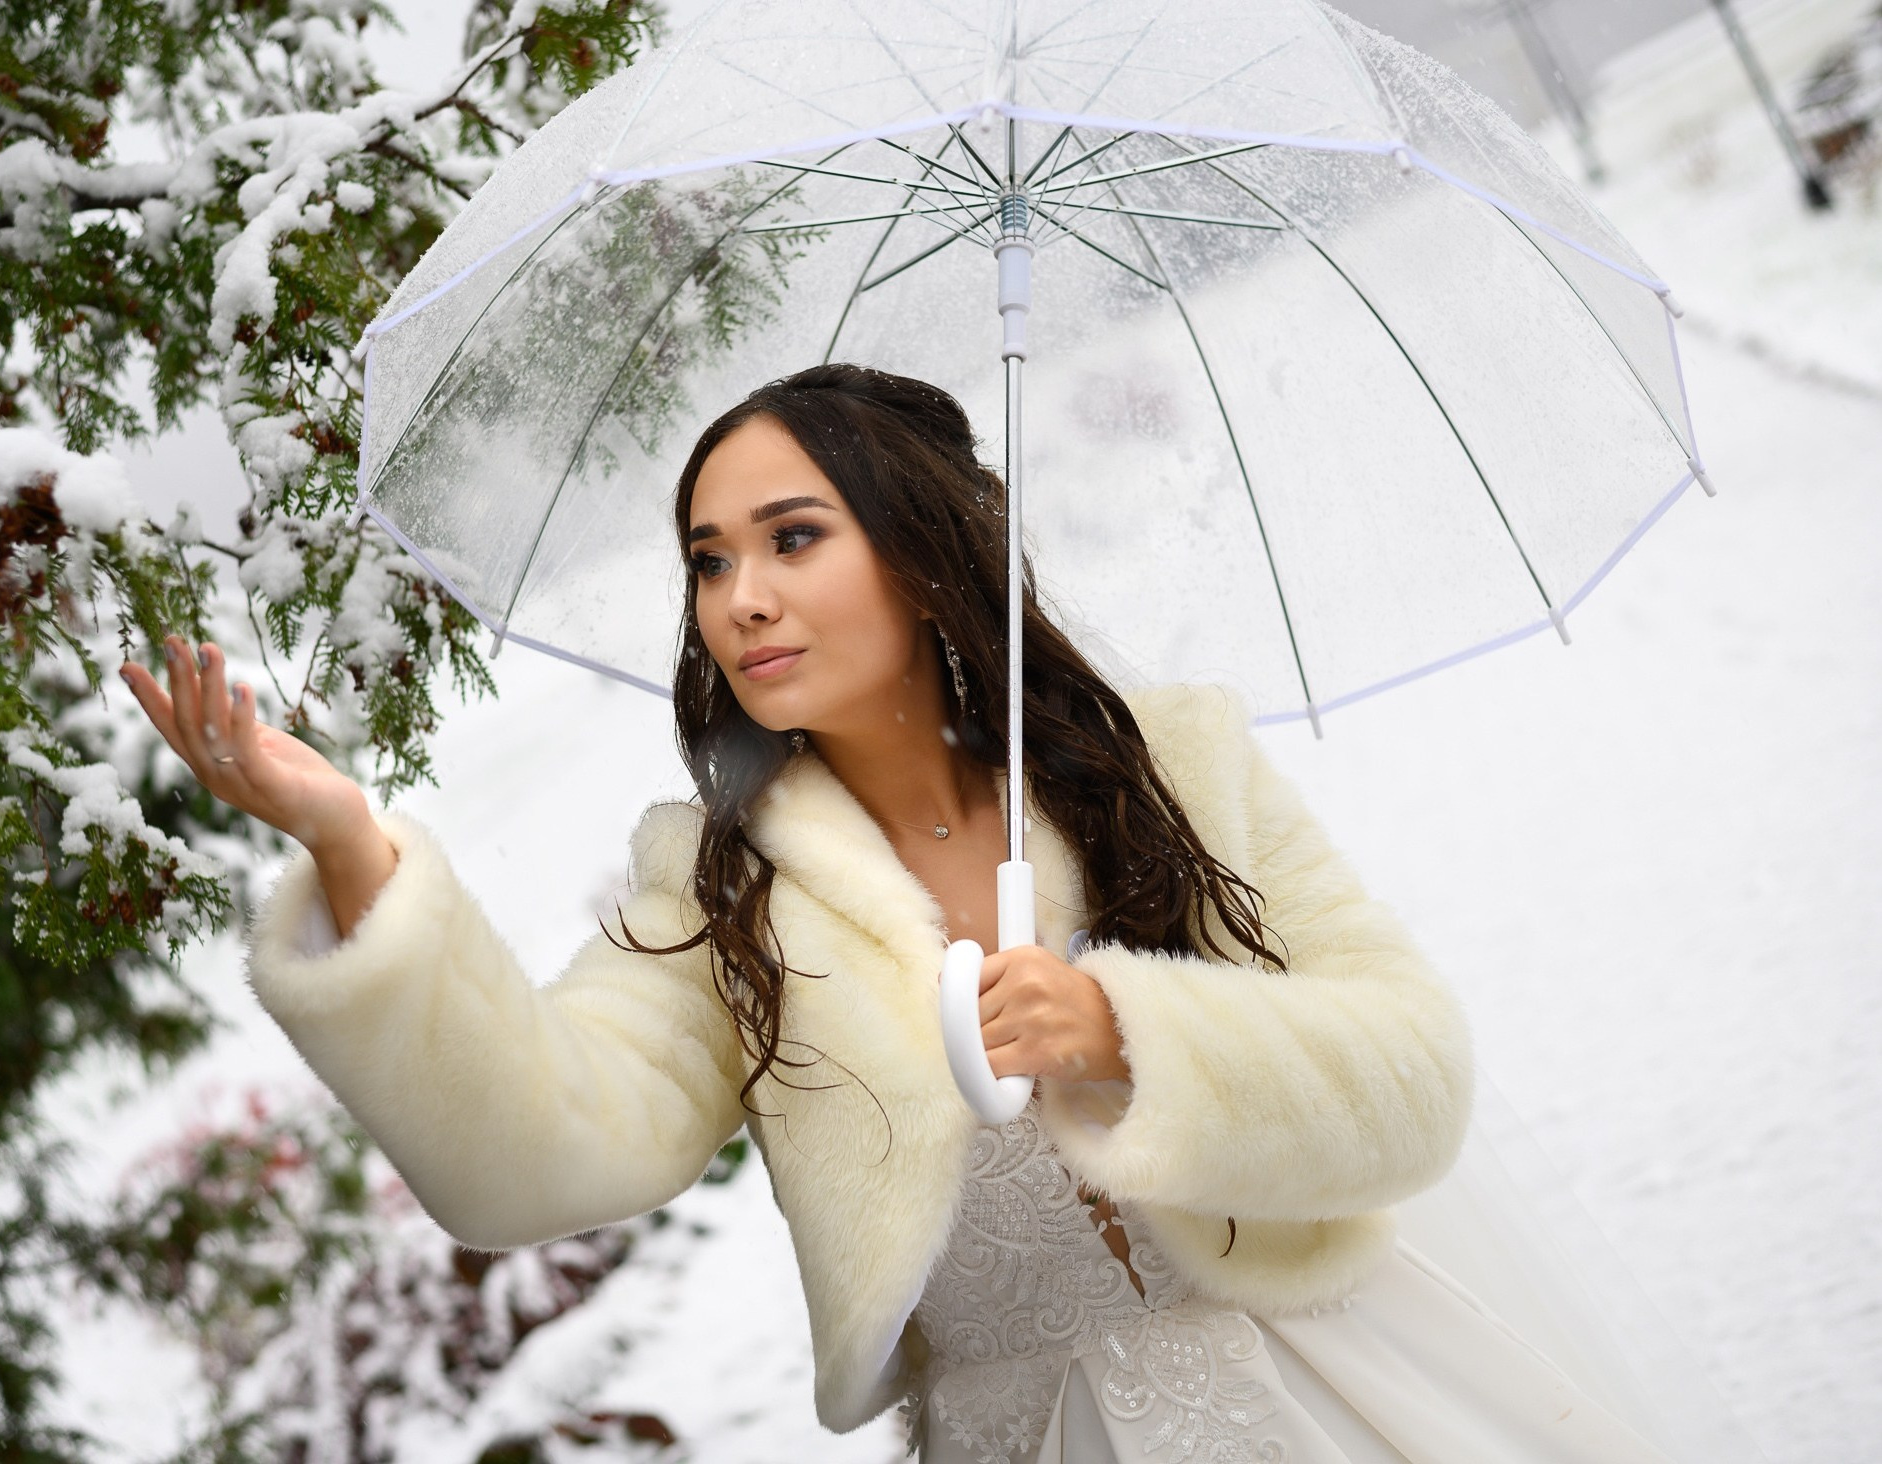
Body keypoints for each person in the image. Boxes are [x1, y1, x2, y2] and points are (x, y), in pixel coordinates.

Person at [118, 365, 1742, 1462]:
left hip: (1338, 1388)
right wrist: (348, 847)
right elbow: (539, 1149)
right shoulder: (720, 879)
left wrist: (1131, 1031)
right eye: (706, 558)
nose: (738, 596)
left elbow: (1416, 1074)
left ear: (921, 545)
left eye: (791, 538)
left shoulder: (1169, 759)